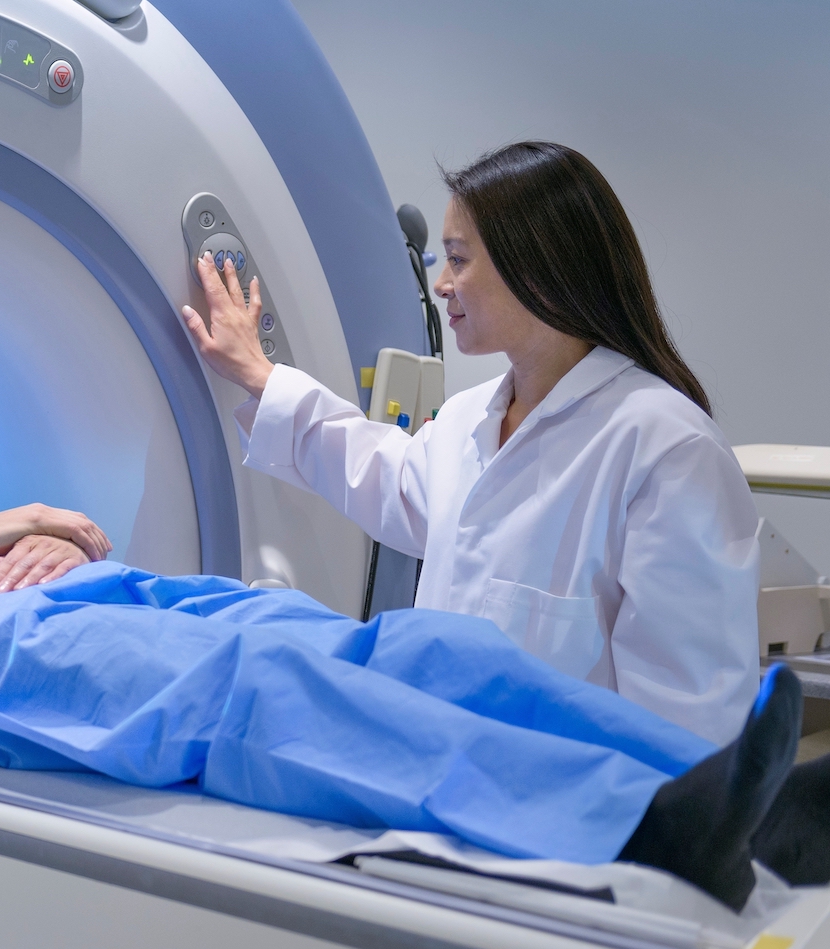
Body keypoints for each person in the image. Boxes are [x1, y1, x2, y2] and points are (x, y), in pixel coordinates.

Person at [0, 496, 824, 913]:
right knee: (265, 693)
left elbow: (64, 526)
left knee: (416, 647)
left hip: (111, 595)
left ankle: (737, 795)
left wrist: (49, 530)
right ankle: (628, 826)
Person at [178, 142, 758, 744]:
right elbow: (382, 472)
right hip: (437, 779)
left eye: (457, 259)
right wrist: (260, 374)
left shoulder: (665, 448)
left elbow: (691, 723)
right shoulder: (469, 418)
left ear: (538, 267)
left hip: (570, 820)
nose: (441, 283)